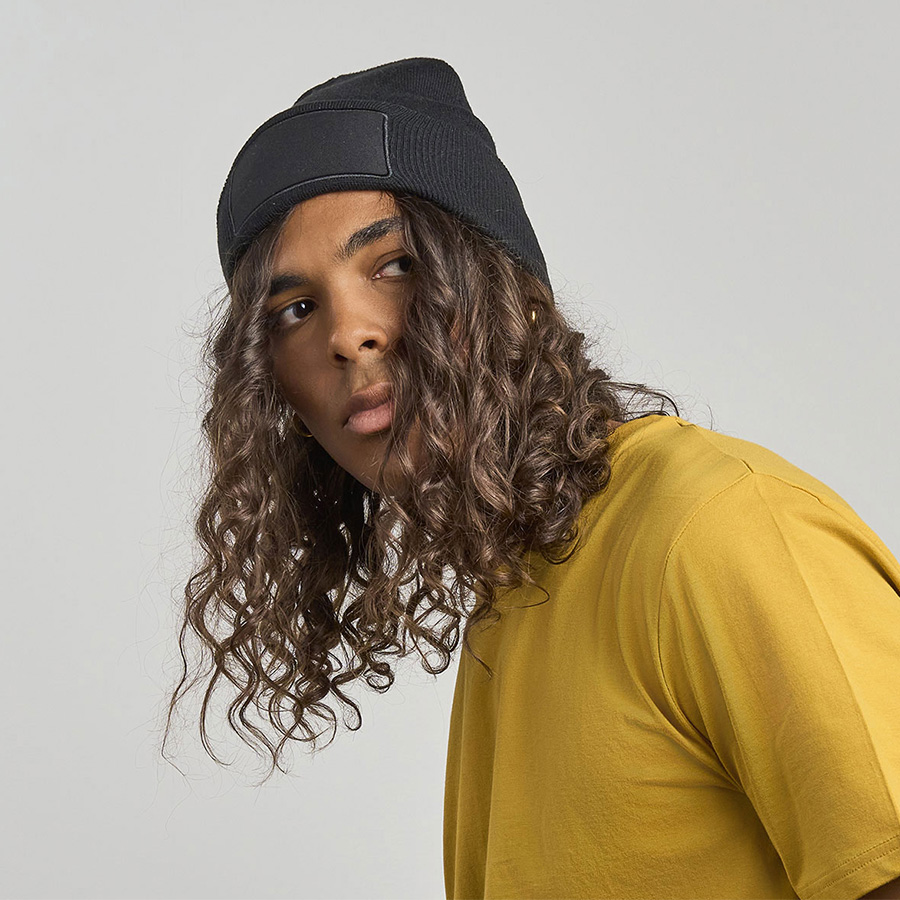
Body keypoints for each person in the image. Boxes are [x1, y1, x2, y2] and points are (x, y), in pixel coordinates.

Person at [162, 57, 900, 899]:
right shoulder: (517, 597)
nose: (348, 334)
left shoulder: (717, 530)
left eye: (396, 265)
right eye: (295, 310)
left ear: (505, 285)